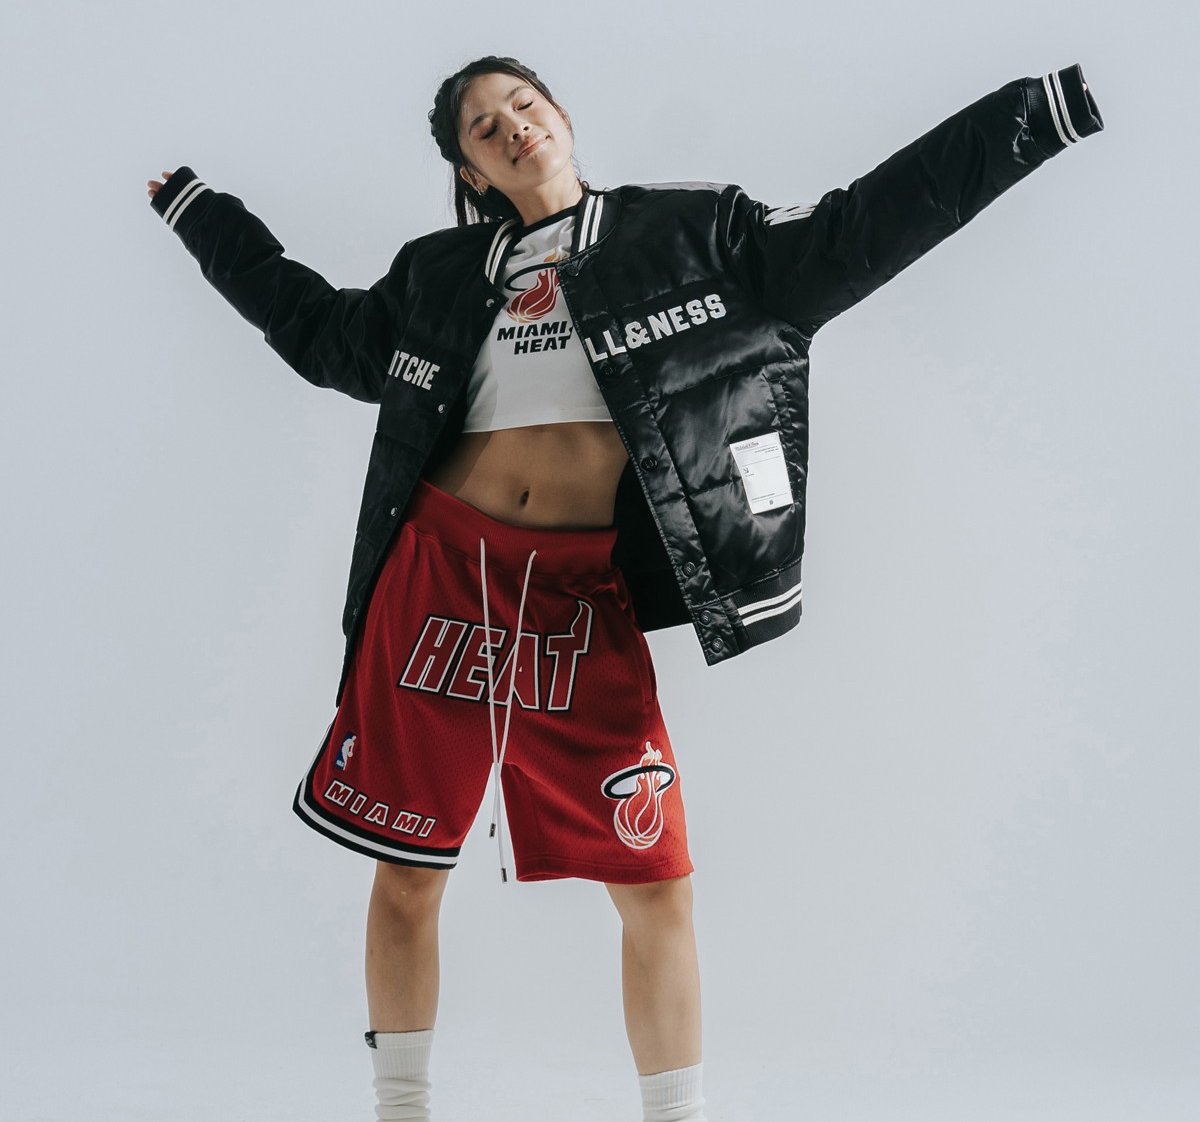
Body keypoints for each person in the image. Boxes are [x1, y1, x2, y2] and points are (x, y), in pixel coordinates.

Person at [147, 55, 1103, 1120]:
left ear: (559, 114)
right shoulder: (441, 274)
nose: (512, 125)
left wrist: (1038, 114)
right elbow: (320, 331)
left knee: (657, 882)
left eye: (522, 103)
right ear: (470, 172)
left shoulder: (691, 236)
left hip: (575, 599)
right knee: (409, 871)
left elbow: (863, 224)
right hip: (438, 580)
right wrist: (202, 217)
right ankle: (400, 1108)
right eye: (482, 127)